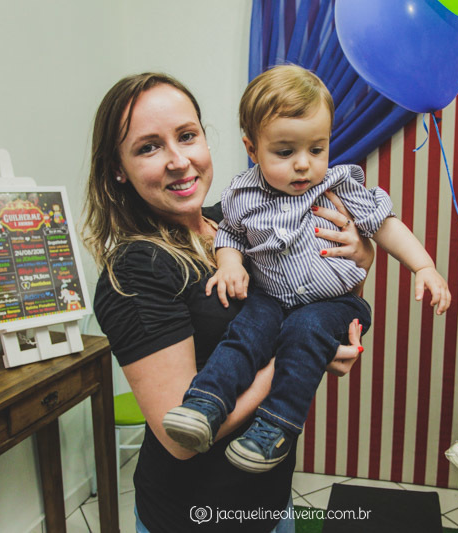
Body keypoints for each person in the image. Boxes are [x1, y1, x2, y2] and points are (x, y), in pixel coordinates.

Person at [83, 72, 374, 533]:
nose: (179, 160)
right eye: (149, 147)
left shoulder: (233, 224)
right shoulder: (137, 271)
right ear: (118, 167)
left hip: (270, 499)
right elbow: (180, 440)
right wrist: (304, 354)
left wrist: (363, 254)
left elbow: (323, 289)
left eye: (187, 136)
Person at [163, 65, 451, 475]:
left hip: (335, 305)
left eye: (316, 149)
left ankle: (275, 429)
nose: (303, 164)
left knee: (306, 329)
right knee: (246, 331)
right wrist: (229, 264)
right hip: (271, 297)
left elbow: (384, 225)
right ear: (252, 147)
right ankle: (204, 403)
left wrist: (423, 266)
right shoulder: (242, 195)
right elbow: (230, 234)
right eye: (285, 152)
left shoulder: (339, 184)